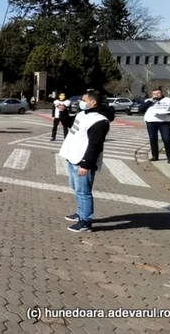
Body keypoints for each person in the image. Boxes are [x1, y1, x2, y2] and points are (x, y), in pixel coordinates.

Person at [58, 90, 112, 232]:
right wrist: (63, 112)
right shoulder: (83, 114)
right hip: (72, 157)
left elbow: (95, 145)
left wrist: (86, 164)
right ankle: (80, 213)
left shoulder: (99, 121)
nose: (81, 102)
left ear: (93, 102)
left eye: (84, 100)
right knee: (76, 188)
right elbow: (70, 124)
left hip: (83, 161)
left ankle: (86, 221)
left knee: (84, 192)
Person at [140, 88, 170, 164]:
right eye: (154, 94)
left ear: (162, 93)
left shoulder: (169, 100)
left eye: (158, 93)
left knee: (166, 139)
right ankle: (155, 156)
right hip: (151, 122)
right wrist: (151, 100)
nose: (156, 95)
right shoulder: (148, 101)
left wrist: (167, 112)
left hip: (164, 123)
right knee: (153, 139)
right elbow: (141, 109)